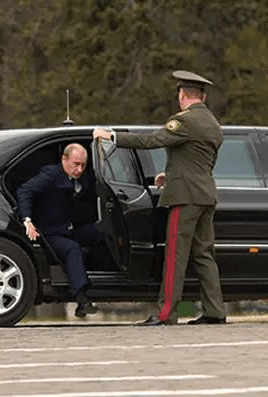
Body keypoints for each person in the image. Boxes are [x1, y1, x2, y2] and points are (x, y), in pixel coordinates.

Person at [92, 70, 226, 326]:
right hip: (206, 194)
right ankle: (215, 311)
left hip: (184, 197)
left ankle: (166, 314)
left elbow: (151, 140)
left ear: (183, 95)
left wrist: (112, 136)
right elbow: (202, 161)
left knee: (176, 256)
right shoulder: (212, 123)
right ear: (203, 96)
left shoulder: (184, 121)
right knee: (205, 256)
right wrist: (172, 173)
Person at [16, 143, 104, 317]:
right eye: (75, 164)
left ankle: (104, 279)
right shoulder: (50, 175)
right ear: (64, 159)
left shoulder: (85, 178)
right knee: (72, 249)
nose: (79, 169)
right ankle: (82, 298)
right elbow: (24, 191)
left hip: (71, 228)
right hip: (50, 232)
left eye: (83, 165)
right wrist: (27, 220)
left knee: (102, 233)